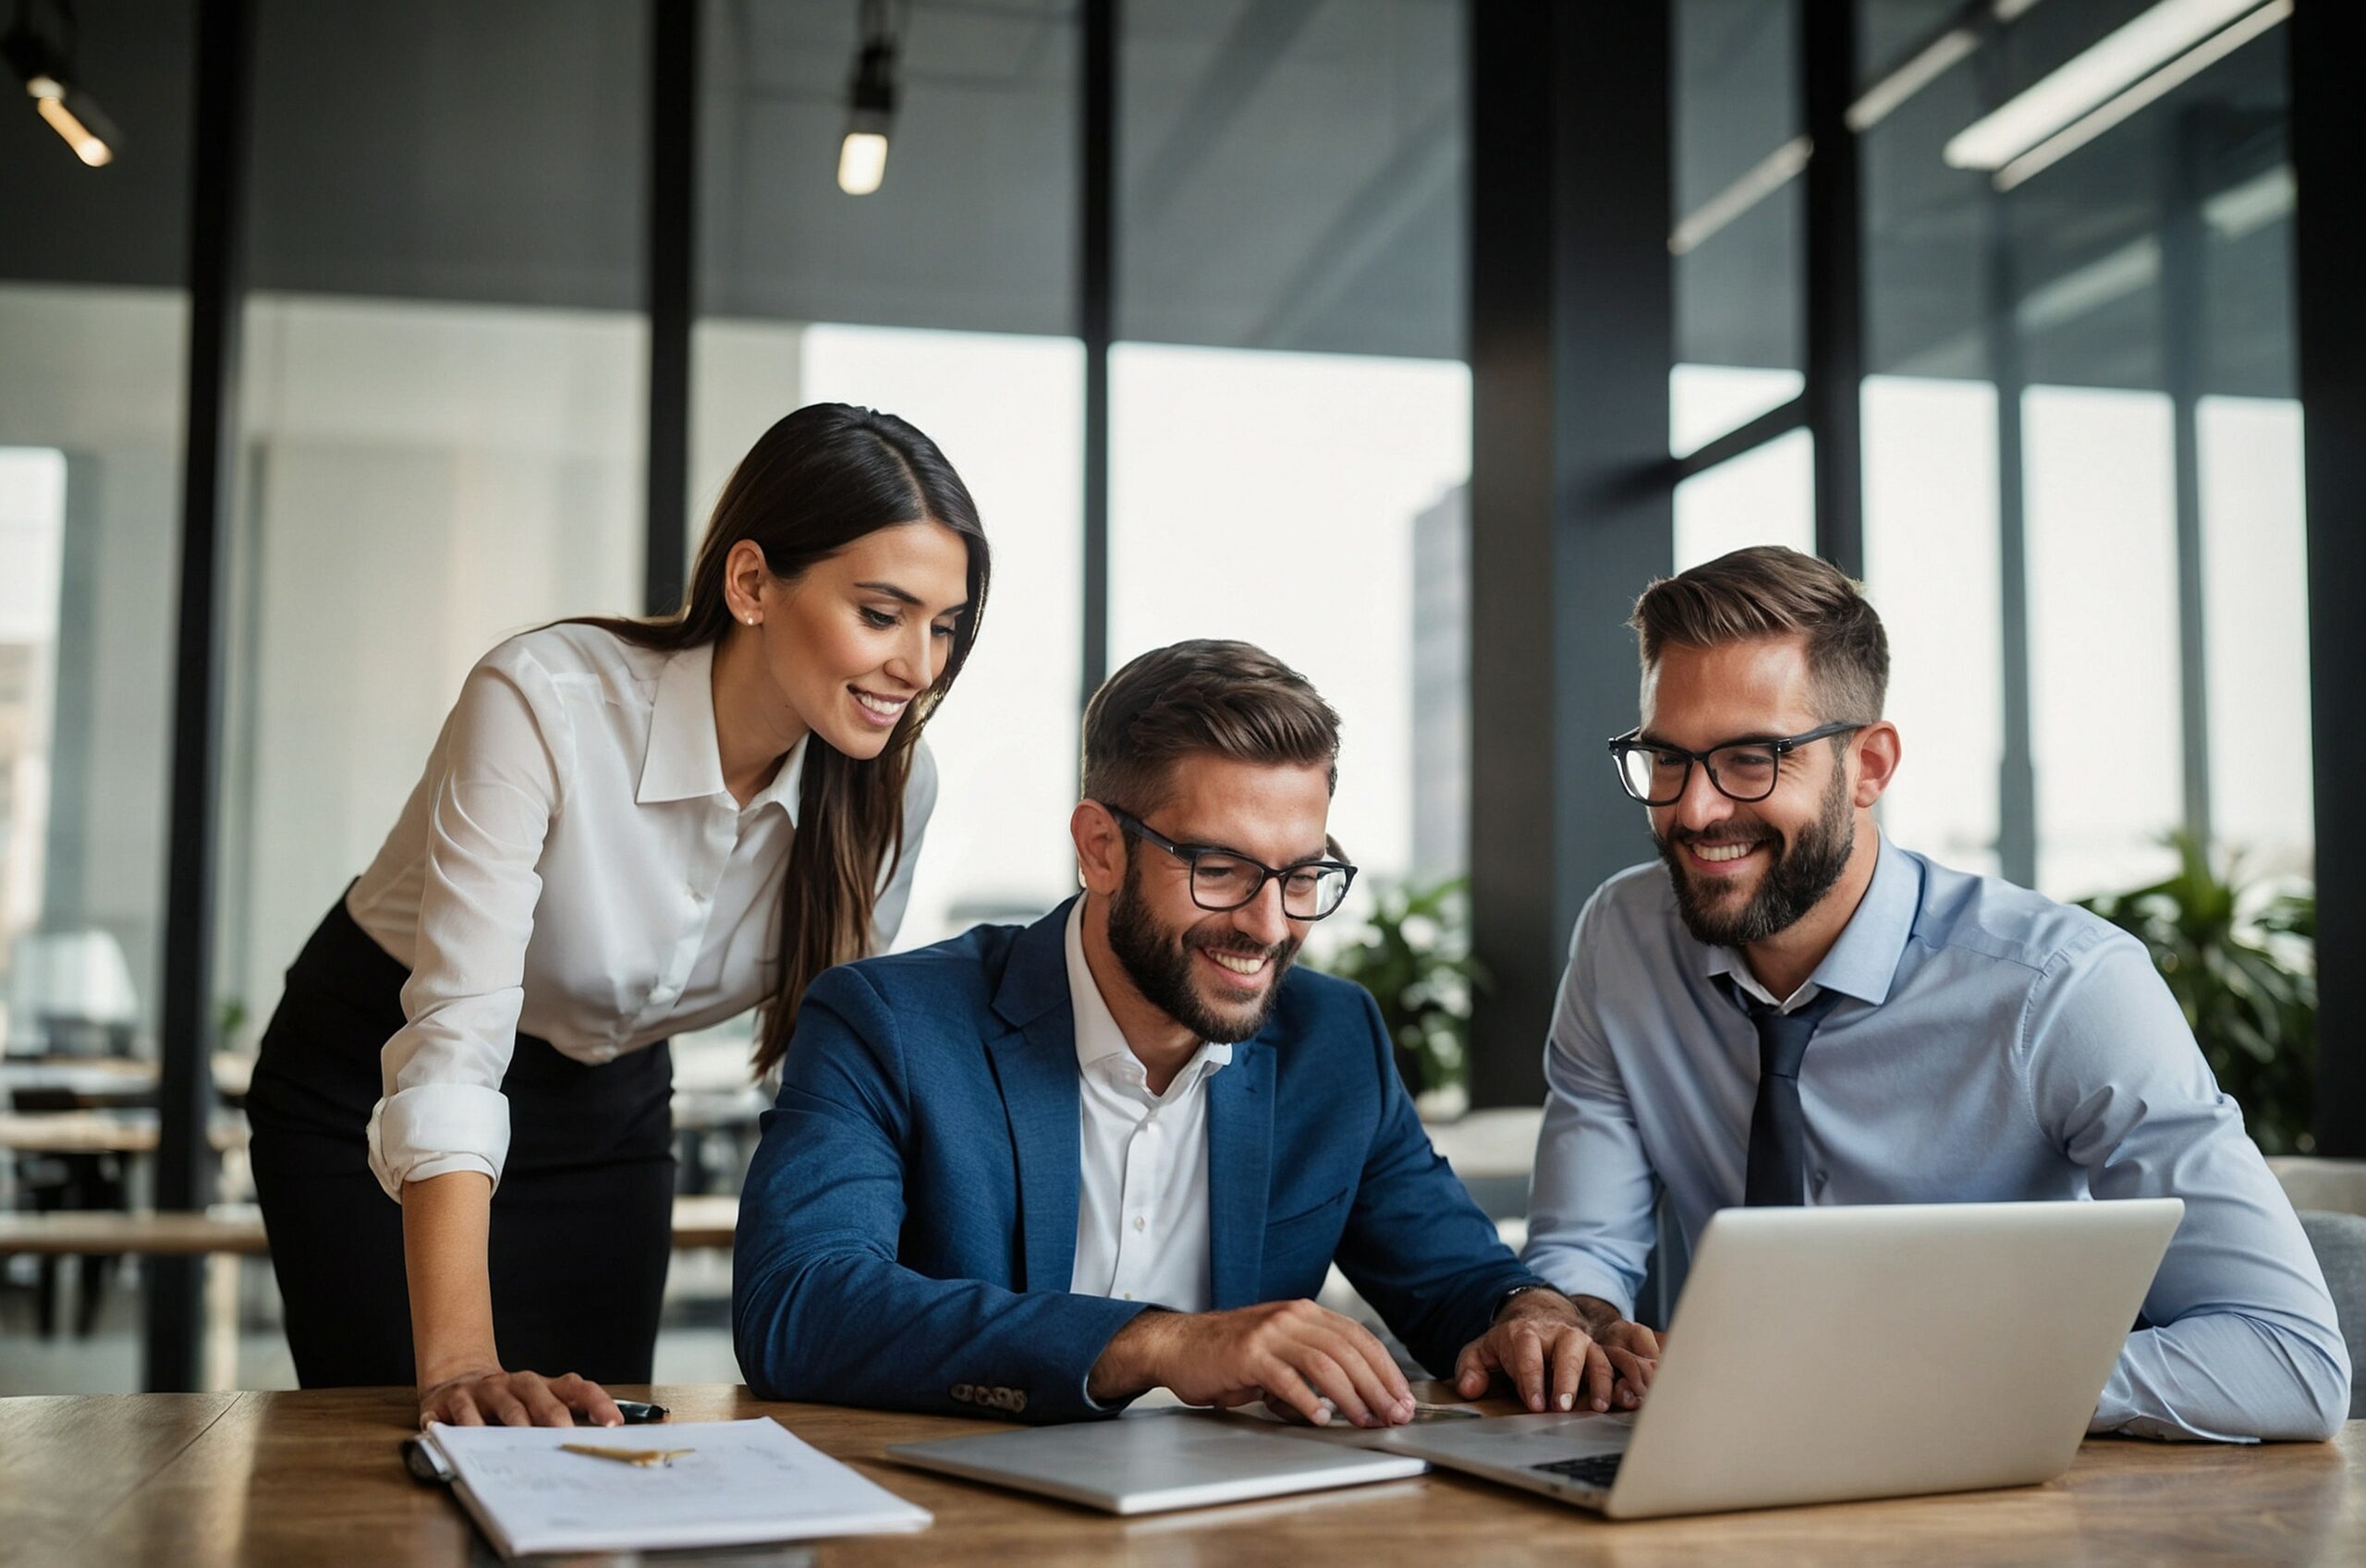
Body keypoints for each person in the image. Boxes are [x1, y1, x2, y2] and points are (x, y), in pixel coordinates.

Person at [244, 403, 989, 1428]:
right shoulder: (543, 702)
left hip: (611, 1106)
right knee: (417, 1442)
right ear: (752, 583)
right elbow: (454, 1048)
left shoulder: (888, 787)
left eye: (943, 624)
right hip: (371, 1070)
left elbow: (841, 1077)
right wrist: (459, 1359)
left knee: (593, 1443)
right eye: (881, 612)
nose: (921, 665)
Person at [1518, 544, 2348, 1443]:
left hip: (1990, 1479)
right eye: (1666, 758)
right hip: (1713, 1464)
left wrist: (1893, 1380)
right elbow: (1583, 1248)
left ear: (1869, 765)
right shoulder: (1623, 941)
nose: (1692, 809)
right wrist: (1565, 1321)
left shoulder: (2064, 988)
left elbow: (2289, 1358)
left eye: (1752, 758)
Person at [734, 639, 1641, 1425]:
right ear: (1099, 847)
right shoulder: (891, 1022)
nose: (1269, 925)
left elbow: (1456, 1280)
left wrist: (1530, 1317)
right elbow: (799, 1305)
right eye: (1219, 868)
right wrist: (1157, 1342)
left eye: (1301, 875)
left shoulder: (1333, 1037)